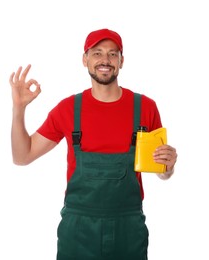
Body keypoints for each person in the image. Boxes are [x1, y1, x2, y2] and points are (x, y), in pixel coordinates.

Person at [9, 28, 177, 260]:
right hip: (78, 231)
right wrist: (19, 109)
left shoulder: (145, 108)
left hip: (128, 230)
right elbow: (22, 156)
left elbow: (162, 172)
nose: (105, 60)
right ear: (85, 59)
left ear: (121, 61)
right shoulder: (67, 109)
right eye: (97, 53)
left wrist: (168, 166)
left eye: (112, 54)